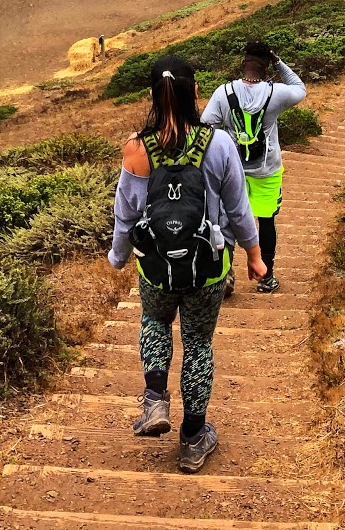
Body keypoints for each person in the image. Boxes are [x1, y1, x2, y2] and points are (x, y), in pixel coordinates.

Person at [109, 54, 265, 473]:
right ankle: (193, 438)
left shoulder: (137, 148)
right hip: (208, 267)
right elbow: (238, 208)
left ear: (155, 97)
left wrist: (119, 255)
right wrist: (253, 255)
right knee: (198, 345)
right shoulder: (218, 144)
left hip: (156, 267)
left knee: (155, 323)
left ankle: (155, 398)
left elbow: (126, 213)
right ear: (194, 92)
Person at [200, 42, 306, 295]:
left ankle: (224, 275)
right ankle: (266, 278)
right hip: (267, 169)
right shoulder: (277, 94)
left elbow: (205, 126)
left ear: (242, 64)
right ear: (266, 67)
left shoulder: (223, 93)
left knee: (224, 221)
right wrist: (279, 63)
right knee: (266, 220)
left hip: (231, 170)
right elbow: (300, 89)